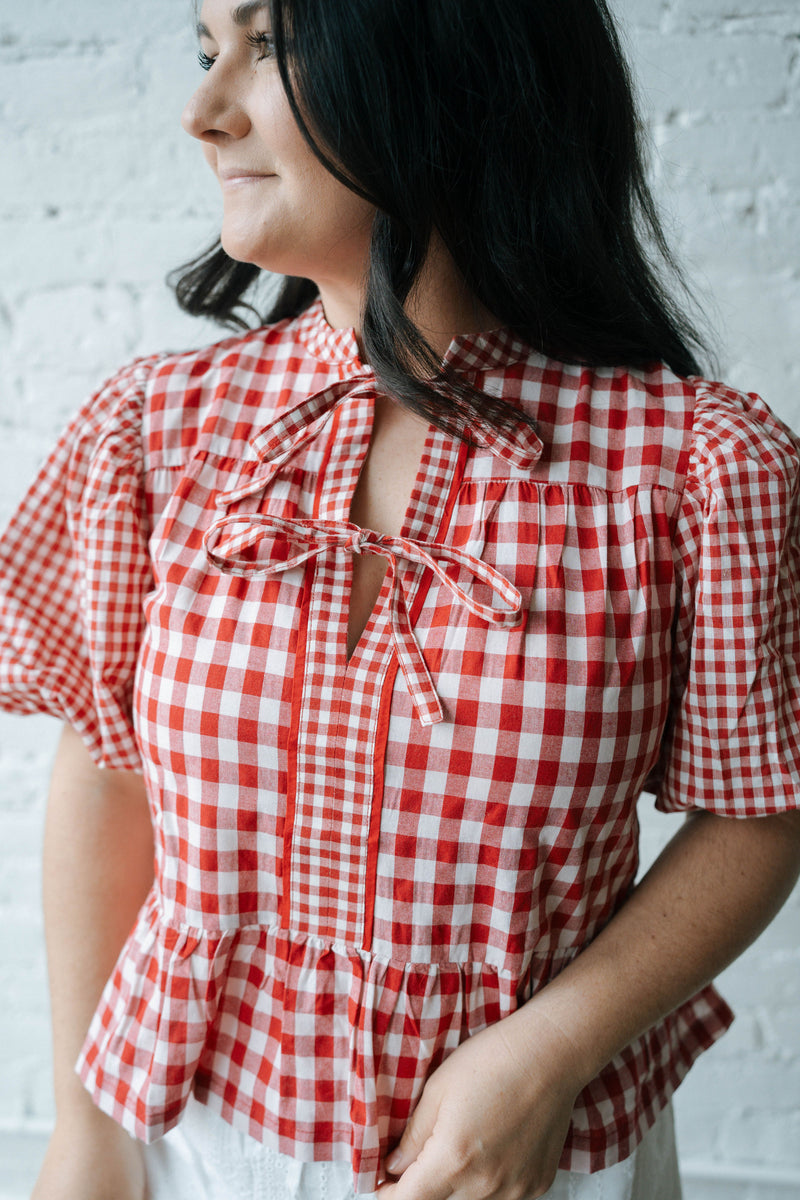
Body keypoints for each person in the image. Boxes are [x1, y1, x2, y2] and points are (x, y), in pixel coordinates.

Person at [3, 1, 799, 1198]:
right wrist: (86, 1130)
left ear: (447, 59)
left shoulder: (695, 468)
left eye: (269, 45)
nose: (202, 111)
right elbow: (109, 770)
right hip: (186, 1139)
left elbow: (759, 812)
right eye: (205, 49)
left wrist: (545, 1052)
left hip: (524, 1153)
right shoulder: (157, 431)